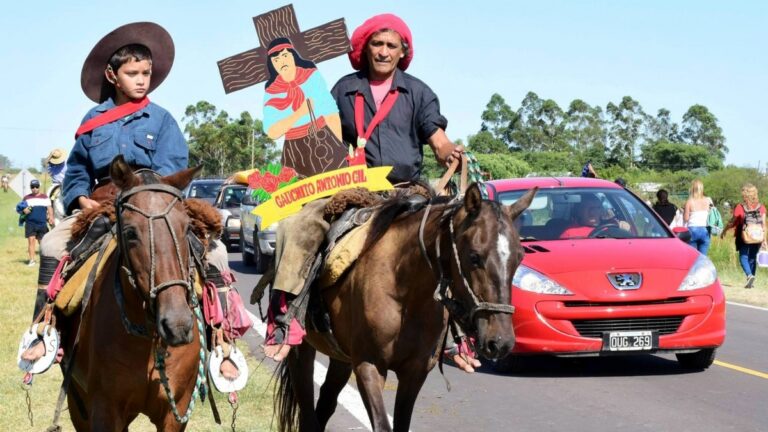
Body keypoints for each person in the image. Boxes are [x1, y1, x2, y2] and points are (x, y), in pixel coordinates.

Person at [20, 22, 242, 380]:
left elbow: (173, 168)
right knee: (50, 243)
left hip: (152, 208)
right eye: (133, 73)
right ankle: (44, 329)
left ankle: (223, 343)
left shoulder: (162, 119)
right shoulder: (92, 121)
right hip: (101, 208)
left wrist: (152, 198)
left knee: (214, 252)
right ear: (112, 75)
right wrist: (79, 199)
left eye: (146, 73)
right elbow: (77, 169)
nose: (142, 80)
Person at [264, 13, 469, 368]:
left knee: (454, 239)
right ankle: (287, 319)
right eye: (378, 44)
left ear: (403, 51)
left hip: (408, 193)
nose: (384, 52)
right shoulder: (343, 89)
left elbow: (435, 136)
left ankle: (461, 335)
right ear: (364, 48)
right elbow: (323, 139)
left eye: (392, 46)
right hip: (352, 190)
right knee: (297, 227)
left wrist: (449, 149)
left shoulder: (418, 92)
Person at [262, 37, 348, 178]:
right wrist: (299, 114)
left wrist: (338, 148)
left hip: (323, 139)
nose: (281, 62)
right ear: (271, 64)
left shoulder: (311, 76)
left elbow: (330, 112)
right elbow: (272, 131)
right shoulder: (271, 91)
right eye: (275, 60)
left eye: (285, 55)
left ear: (293, 55)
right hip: (294, 150)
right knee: (300, 193)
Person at [721, 183, 766, 288]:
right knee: (752, 258)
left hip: (744, 235)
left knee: (743, 257)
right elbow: (764, 225)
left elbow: (732, 221)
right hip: (758, 236)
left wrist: (724, 230)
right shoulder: (761, 207)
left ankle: (749, 275)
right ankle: (752, 280)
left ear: (745, 194)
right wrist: (764, 239)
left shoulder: (740, 207)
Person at [18, 179, 53, 266]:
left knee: (42, 243)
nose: (34, 188)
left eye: (36, 186)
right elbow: (21, 209)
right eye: (32, 187)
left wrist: (51, 217)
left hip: (42, 223)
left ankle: (44, 260)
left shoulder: (45, 197)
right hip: (30, 223)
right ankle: (32, 260)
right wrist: (24, 210)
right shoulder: (26, 198)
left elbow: (49, 208)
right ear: (30, 188)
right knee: (31, 241)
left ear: (39, 187)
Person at [683, 179, 713, 255]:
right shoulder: (708, 200)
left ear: (692, 189)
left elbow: (686, 218)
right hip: (704, 230)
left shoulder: (689, 201)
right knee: (703, 258)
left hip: (692, 230)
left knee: (692, 257)